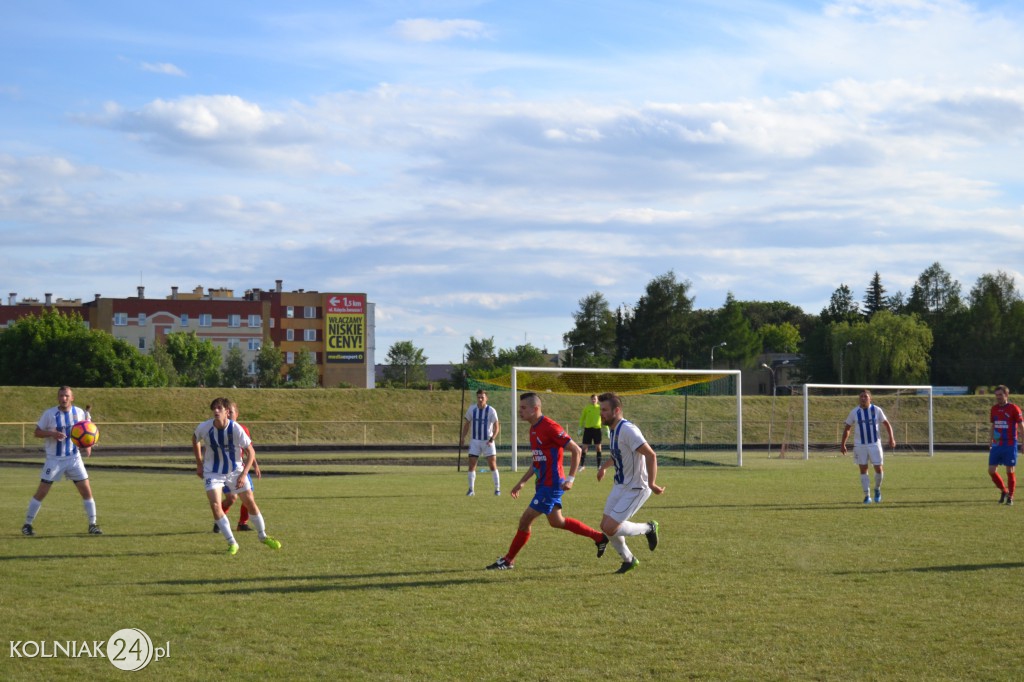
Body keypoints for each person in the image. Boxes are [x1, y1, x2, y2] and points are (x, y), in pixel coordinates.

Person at [486, 392, 607, 570]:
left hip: (552, 484)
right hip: (543, 484)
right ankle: (599, 538)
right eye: (520, 407)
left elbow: (576, 450)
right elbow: (537, 460)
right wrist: (522, 482)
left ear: (535, 409)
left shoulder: (550, 427)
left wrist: (571, 479)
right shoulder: (533, 429)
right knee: (557, 521)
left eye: (523, 408)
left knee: (525, 520)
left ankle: (508, 560)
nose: (520, 411)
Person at [193, 397, 281, 555]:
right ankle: (232, 543)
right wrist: (199, 463)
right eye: (214, 408)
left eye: (219, 408)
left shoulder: (236, 429)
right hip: (213, 472)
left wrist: (244, 474)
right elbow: (195, 439)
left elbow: (251, 452)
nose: (216, 411)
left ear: (227, 412)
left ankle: (263, 536)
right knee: (215, 505)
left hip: (235, 471)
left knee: (250, 502)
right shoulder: (205, 427)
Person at [595, 392, 663, 573]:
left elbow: (651, 455)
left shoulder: (628, 430)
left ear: (616, 410)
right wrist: (604, 467)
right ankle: (629, 560)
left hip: (636, 487)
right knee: (605, 527)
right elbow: (618, 454)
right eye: (601, 409)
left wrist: (652, 483)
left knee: (610, 527)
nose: (601, 413)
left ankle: (649, 528)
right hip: (621, 485)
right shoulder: (613, 430)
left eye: (605, 410)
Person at [21, 386, 102, 536]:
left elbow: (88, 429)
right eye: (61, 396)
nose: (64, 398)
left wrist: (88, 445)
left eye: (66, 396)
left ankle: (93, 525)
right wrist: (52, 434)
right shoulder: (50, 414)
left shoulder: (79, 412)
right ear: (58, 398)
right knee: (42, 492)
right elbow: (37, 432)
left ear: (72, 398)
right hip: (55, 460)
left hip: (74, 458)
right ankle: (27, 524)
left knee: (86, 491)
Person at [212, 401, 261, 532]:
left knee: (249, 497)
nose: (228, 415)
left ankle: (242, 524)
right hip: (223, 471)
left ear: (237, 414)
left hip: (239, 469)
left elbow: (249, 450)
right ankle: (219, 521)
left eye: (231, 412)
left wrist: (255, 465)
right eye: (227, 412)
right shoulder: (218, 429)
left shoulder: (242, 429)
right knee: (231, 498)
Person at [840, 389, 896, 504]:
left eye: (865, 396)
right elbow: (847, 428)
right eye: (861, 396)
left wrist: (891, 438)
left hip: (875, 444)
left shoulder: (877, 410)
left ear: (870, 398)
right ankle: (867, 495)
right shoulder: (854, 412)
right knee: (863, 469)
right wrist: (843, 444)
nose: (863, 398)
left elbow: (887, 424)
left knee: (878, 468)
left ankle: (877, 489)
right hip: (860, 445)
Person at [460, 389, 501, 496]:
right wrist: (463, 437)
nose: (480, 399)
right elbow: (467, 424)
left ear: (486, 398)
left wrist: (492, 438)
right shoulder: (472, 409)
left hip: (488, 441)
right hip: (475, 441)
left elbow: (497, 427)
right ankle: (471, 490)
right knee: (472, 465)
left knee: (492, 465)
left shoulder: (491, 410)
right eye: (478, 397)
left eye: (482, 397)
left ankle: (497, 489)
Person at [987, 385, 1024, 505]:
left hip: (1010, 444)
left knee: (1010, 470)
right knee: (991, 470)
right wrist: (990, 440)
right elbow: (993, 425)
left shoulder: (1014, 408)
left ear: (1006, 395)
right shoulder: (994, 409)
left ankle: (1010, 497)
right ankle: (1004, 490)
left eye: (1000, 395)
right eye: (996, 395)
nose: (998, 397)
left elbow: (1021, 426)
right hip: (997, 443)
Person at [578, 394, 604, 471]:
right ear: (591, 400)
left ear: (597, 400)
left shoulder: (600, 408)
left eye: (595, 399)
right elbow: (582, 418)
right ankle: (582, 465)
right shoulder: (587, 408)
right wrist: (580, 427)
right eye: (592, 399)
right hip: (588, 430)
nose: (593, 400)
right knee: (584, 448)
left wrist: (607, 429)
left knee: (598, 448)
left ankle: (599, 466)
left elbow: (604, 418)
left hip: (597, 430)